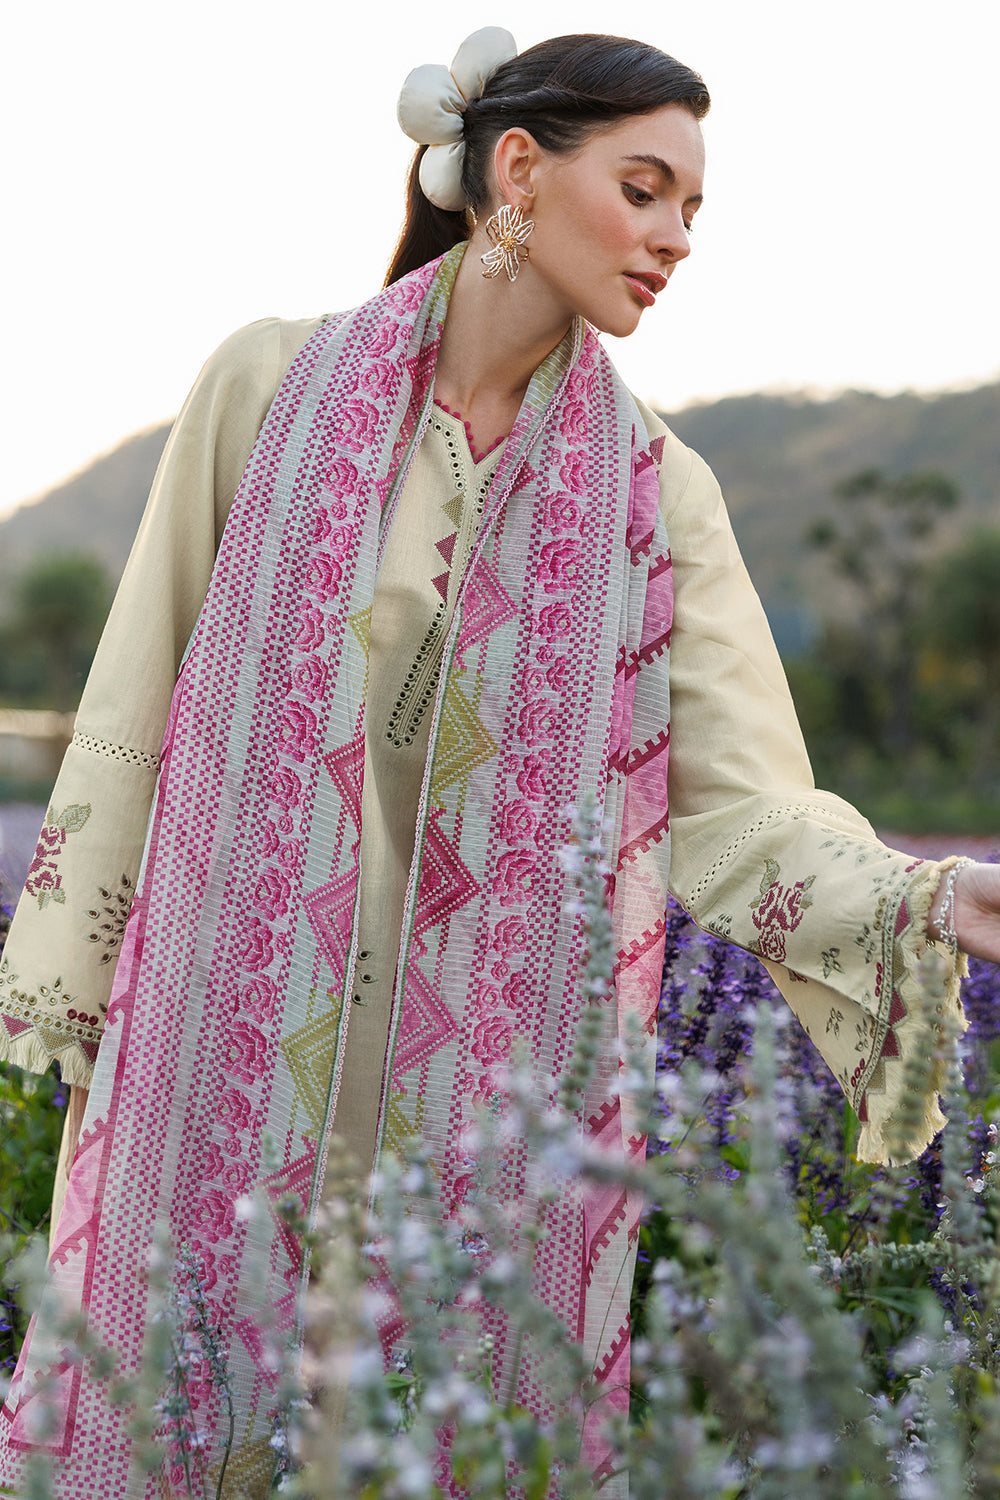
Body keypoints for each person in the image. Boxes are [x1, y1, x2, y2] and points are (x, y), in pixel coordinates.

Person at [1, 27, 998, 1500]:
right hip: (221, 1058)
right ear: (517, 169)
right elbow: (138, 696)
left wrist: (932, 900)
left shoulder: (659, 493)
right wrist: (79, 991)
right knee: (171, 1421)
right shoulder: (269, 385)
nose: (675, 237)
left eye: (692, 210)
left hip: (488, 1108)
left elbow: (744, 808)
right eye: (644, 190)